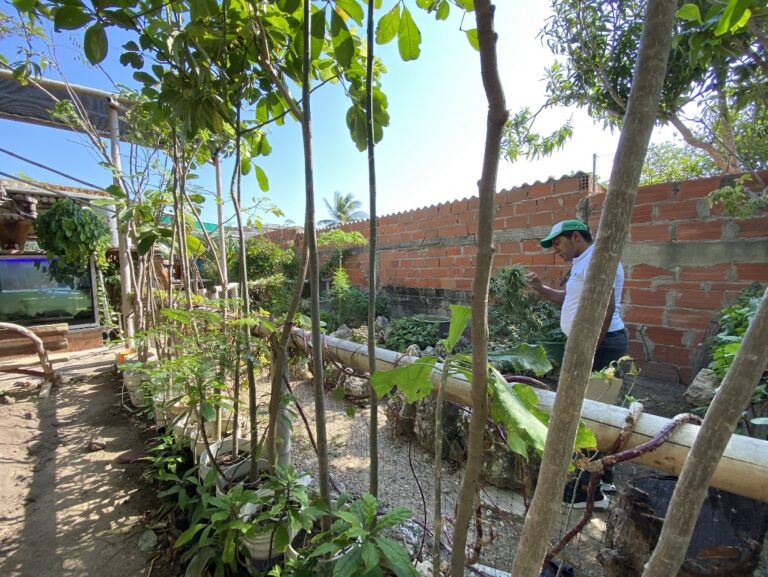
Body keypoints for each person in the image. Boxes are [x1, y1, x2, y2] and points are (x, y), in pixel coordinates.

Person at [526, 219, 627, 509]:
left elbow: (606, 306)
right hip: (591, 344)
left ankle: (588, 492)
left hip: (602, 345)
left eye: (557, 243)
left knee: (591, 412)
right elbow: (566, 299)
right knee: (598, 410)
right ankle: (604, 476)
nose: (555, 249)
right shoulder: (583, 262)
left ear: (575, 237)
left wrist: (589, 348)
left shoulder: (599, 259)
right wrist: (540, 287)